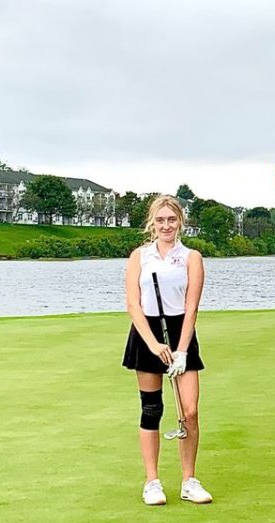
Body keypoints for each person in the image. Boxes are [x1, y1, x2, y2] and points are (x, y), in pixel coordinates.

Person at [122, 194, 212, 505]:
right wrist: (153, 344)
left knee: (189, 411)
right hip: (148, 334)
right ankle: (152, 482)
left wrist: (182, 350)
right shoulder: (140, 257)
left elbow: (191, 308)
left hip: (179, 333)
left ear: (180, 222)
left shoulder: (191, 257)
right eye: (160, 220)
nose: (166, 225)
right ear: (152, 223)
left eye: (171, 220)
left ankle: (189, 479)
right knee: (152, 409)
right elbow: (133, 304)